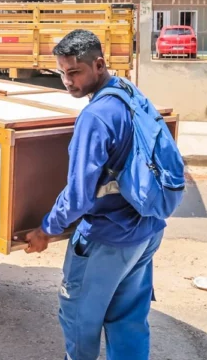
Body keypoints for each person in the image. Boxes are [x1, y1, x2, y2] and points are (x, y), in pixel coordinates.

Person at [23, 29, 166, 360]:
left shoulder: (95, 117)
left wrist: (46, 229)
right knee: (128, 320)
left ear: (99, 65)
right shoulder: (128, 92)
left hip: (108, 238)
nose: (67, 81)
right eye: (62, 73)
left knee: (78, 321)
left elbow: (78, 196)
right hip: (147, 229)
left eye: (74, 72)